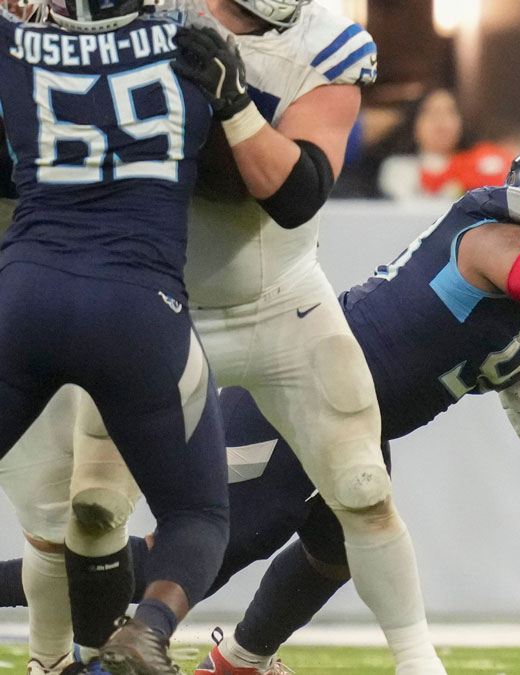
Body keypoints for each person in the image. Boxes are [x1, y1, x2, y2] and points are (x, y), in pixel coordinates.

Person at [0, 142, 520, 674]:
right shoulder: (492, 240)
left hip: (348, 423)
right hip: (293, 402)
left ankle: (238, 658)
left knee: (339, 539)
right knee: (179, 560)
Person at [0, 0, 451, 672]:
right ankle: (84, 658)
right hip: (161, 305)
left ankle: (419, 662)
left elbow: (295, 193)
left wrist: (235, 106)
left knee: (360, 482)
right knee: (94, 510)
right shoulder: (165, 14)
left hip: (276, 300)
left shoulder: (326, 45)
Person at [0, 0, 231, 673]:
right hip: (140, 306)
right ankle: (148, 628)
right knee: (198, 514)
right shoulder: (197, 39)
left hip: (26, 296)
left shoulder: (13, 43)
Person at [377, 89, 517, 202]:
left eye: (450, 112)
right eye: (432, 112)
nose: (441, 121)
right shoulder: (399, 168)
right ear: (414, 124)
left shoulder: (484, 160)